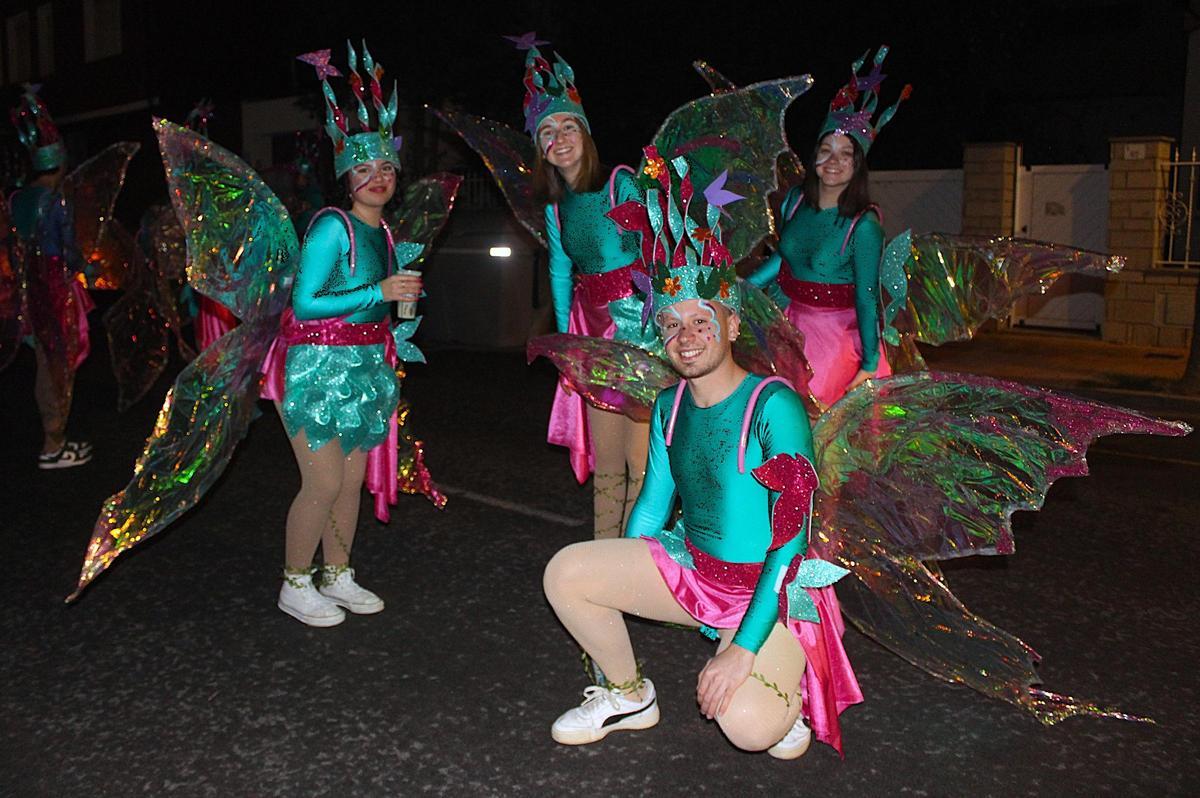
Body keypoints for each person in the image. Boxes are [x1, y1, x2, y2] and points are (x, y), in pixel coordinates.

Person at [543, 169, 862, 756]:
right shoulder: (668, 406)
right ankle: (628, 694)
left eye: (700, 320)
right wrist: (618, 580)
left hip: (775, 592)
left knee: (749, 729)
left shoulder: (774, 405)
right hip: (697, 573)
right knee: (566, 572)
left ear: (732, 324)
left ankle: (783, 686)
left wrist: (741, 650)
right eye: (670, 324)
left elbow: (790, 542)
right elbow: (650, 510)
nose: (685, 336)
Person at [263, 43, 421, 627]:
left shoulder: (388, 235)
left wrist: (399, 306)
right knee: (323, 480)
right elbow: (305, 303)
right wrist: (379, 292)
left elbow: (379, 305)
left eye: (386, 169)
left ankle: (338, 573)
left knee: (352, 480)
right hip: (313, 364)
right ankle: (294, 582)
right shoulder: (332, 226)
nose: (377, 178)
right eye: (364, 169)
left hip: (364, 366)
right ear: (345, 178)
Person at [523, 41, 658, 539]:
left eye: (568, 127)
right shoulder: (556, 208)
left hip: (640, 331)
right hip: (593, 335)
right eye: (547, 132)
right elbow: (560, 272)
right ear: (539, 148)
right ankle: (604, 551)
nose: (558, 139)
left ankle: (634, 557)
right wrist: (568, 347)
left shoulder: (621, 182)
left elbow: (656, 252)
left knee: (641, 463)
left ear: (585, 133)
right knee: (608, 464)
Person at [748, 47, 910, 409]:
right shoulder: (794, 201)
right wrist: (738, 289)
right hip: (788, 328)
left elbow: (867, 297)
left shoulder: (864, 226)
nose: (833, 161)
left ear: (858, 165)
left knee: (815, 425)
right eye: (826, 150)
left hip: (835, 343)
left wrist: (869, 364)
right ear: (814, 156)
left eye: (845, 154)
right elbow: (784, 260)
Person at [9, 86, 94, 469]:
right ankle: (53, 445)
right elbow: (68, 248)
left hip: (28, 287)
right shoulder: (55, 201)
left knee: (45, 362)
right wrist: (86, 267)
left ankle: (54, 439)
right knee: (58, 365)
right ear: (58, 164)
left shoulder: (18, 199)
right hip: (55, 287)